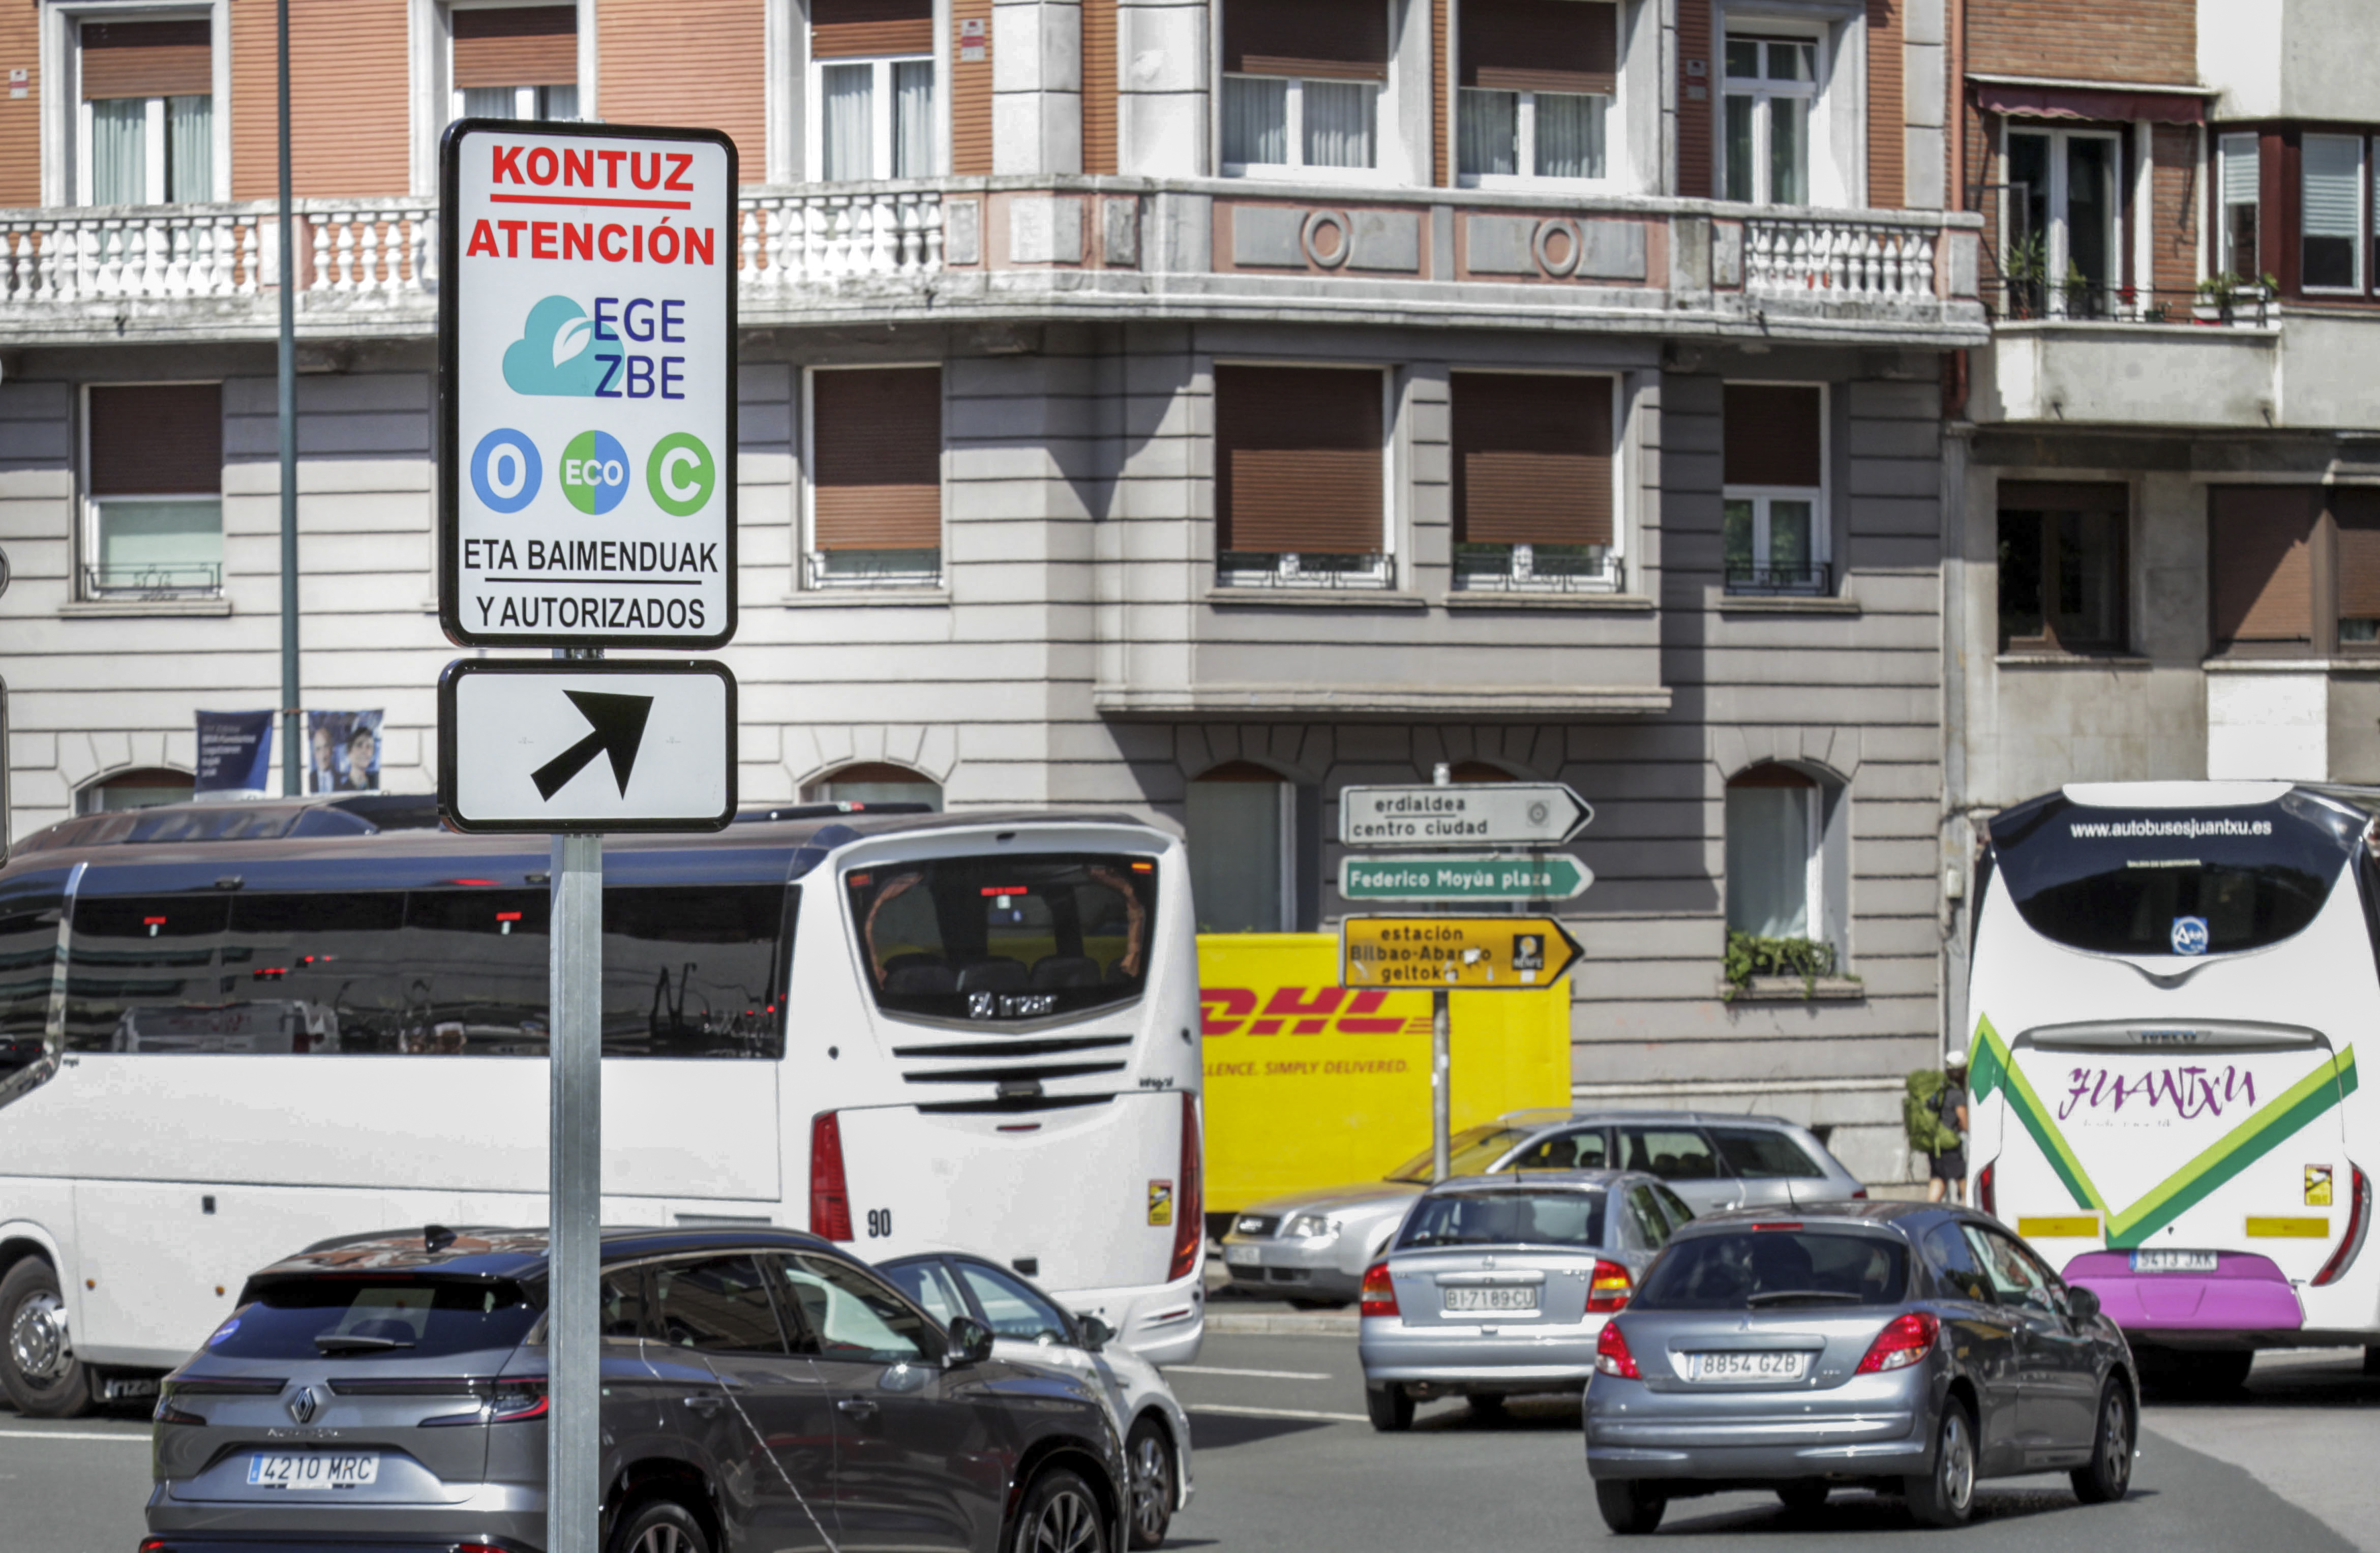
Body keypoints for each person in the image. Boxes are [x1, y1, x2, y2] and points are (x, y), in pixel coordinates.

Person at [1926, 1050, 1970, 1204]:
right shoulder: (1956, 1094)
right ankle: (1970, 1214)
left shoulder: (1939, 1090)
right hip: (1949, 1144)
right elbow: (1965, 1123)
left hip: (1935, 1144)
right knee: (1963, 1181)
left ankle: (1928, 1214)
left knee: (1938, 1179)